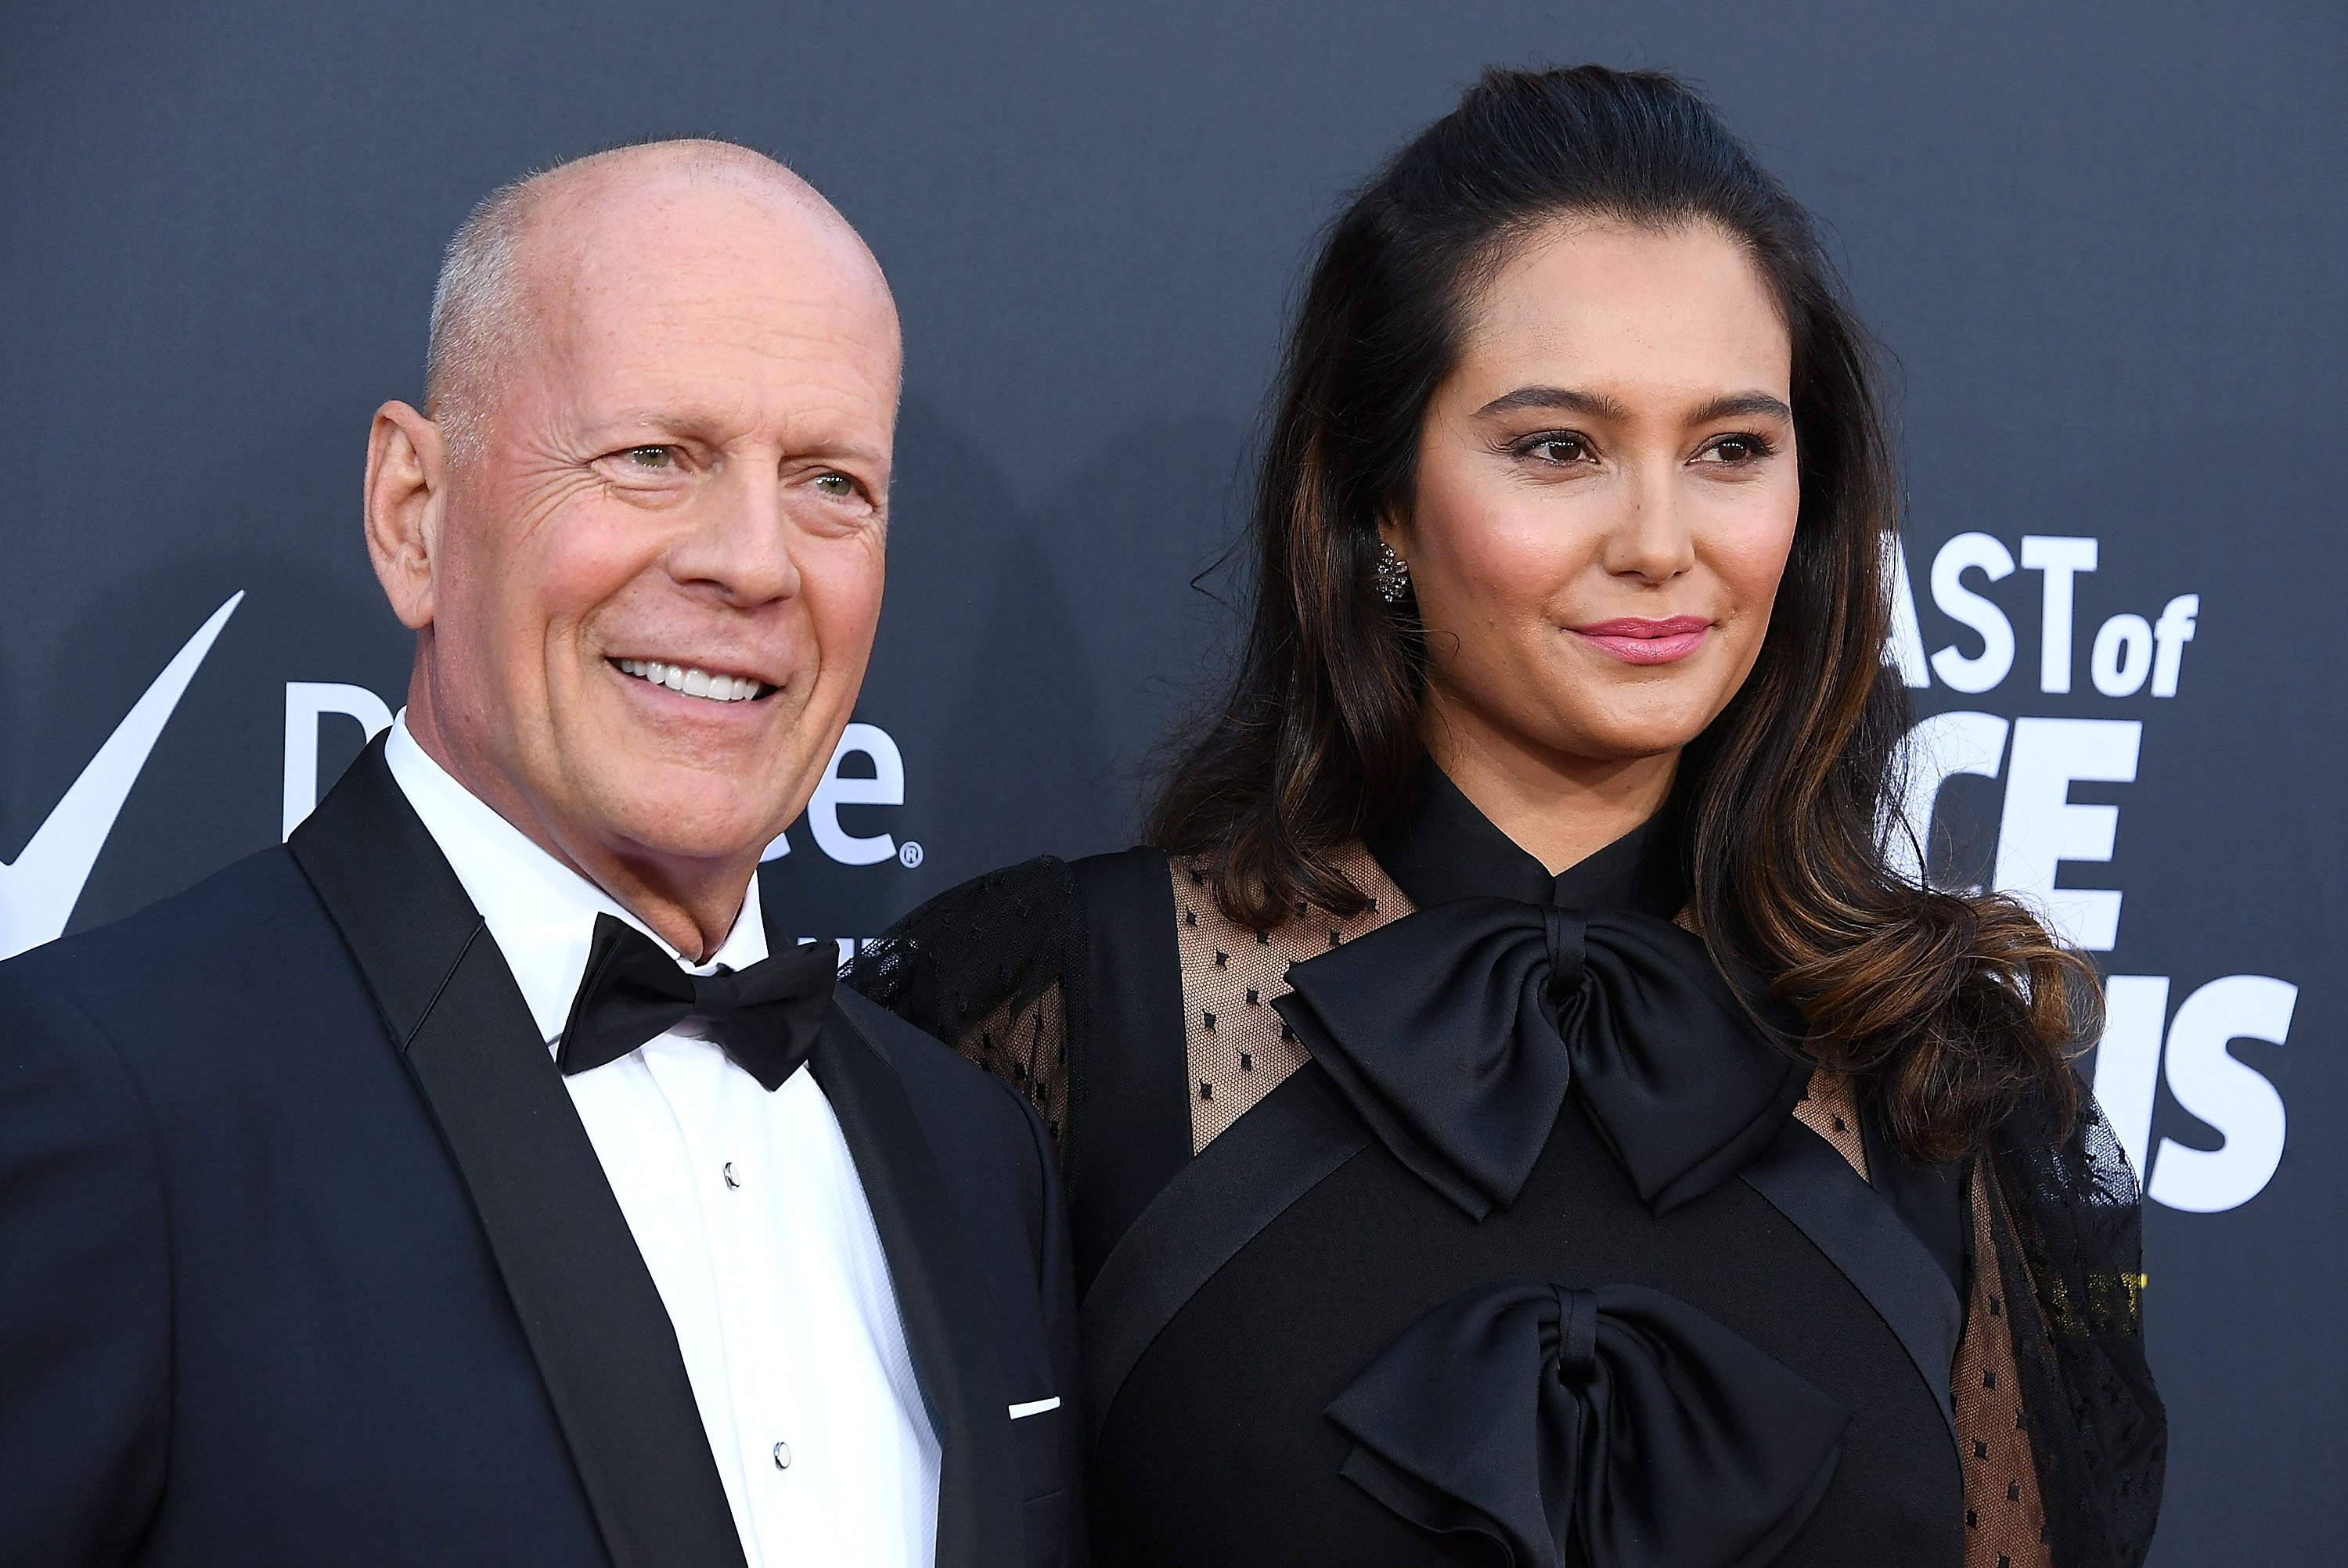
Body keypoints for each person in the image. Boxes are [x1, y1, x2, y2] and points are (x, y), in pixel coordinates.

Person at [850, 67, 2163, 1568]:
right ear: (1381, 508)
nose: (1662, 542)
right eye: (1559, 448)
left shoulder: (1937, 1071)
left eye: (1732, 449)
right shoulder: (1056, 1013)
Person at [0, 141, 1077, 1568]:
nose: (754, 562)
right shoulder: (113, 1094)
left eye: (829, 481)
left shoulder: (978, 1154)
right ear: (415, 515)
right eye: (652, 458)